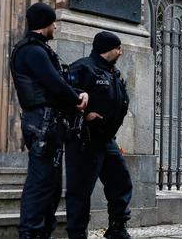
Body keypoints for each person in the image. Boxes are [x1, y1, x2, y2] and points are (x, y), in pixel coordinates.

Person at [11, 2, 89, 239]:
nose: (56, 26)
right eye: (53, 22)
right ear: (45, 24)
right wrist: (77, 98)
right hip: (42, 122)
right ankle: (30, 234)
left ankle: (41, 232)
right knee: (41, 183)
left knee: (51, 186)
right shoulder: (31, 50)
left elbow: (57, 80)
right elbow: (53, 82)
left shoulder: (37, 49)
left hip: (48, 123)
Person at [65, 31, 132, 239]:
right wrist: (84, 116)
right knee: (81, 190)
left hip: (107, 139)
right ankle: (77, 234)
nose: (120, 52)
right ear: (107, 49)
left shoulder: (114, 73)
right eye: (118, 48)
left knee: (120, 181)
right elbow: (63, 95)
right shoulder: (83, 67)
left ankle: (117, 227)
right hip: (85, 139)